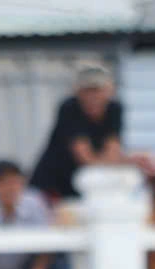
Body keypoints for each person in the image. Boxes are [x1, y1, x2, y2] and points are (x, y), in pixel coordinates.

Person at [29, 62, 124, 203]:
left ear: (109, 91)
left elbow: (112, 151)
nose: (92, 96)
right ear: (77, 91)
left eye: (97, 90)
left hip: (83, 187)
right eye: (87, 90)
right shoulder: (69, 109)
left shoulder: (115, 109)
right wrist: (118, 163)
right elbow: (85, 156)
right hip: (53, 185)